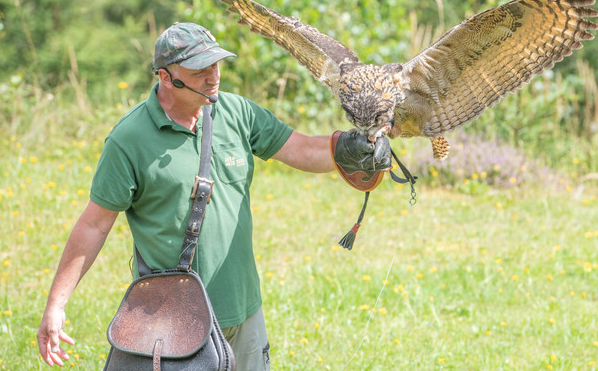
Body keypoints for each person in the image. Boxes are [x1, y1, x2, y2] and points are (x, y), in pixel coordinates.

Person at [36, 22, 390, 370]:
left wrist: (349, 147)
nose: (213, 76)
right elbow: (94, 225)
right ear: (165, 77)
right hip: (176, 319)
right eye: (199, 69)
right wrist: (56, 305)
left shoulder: (236, 112)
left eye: (216, 64)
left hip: (245, 309)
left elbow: (299, 148)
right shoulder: (129, 140)